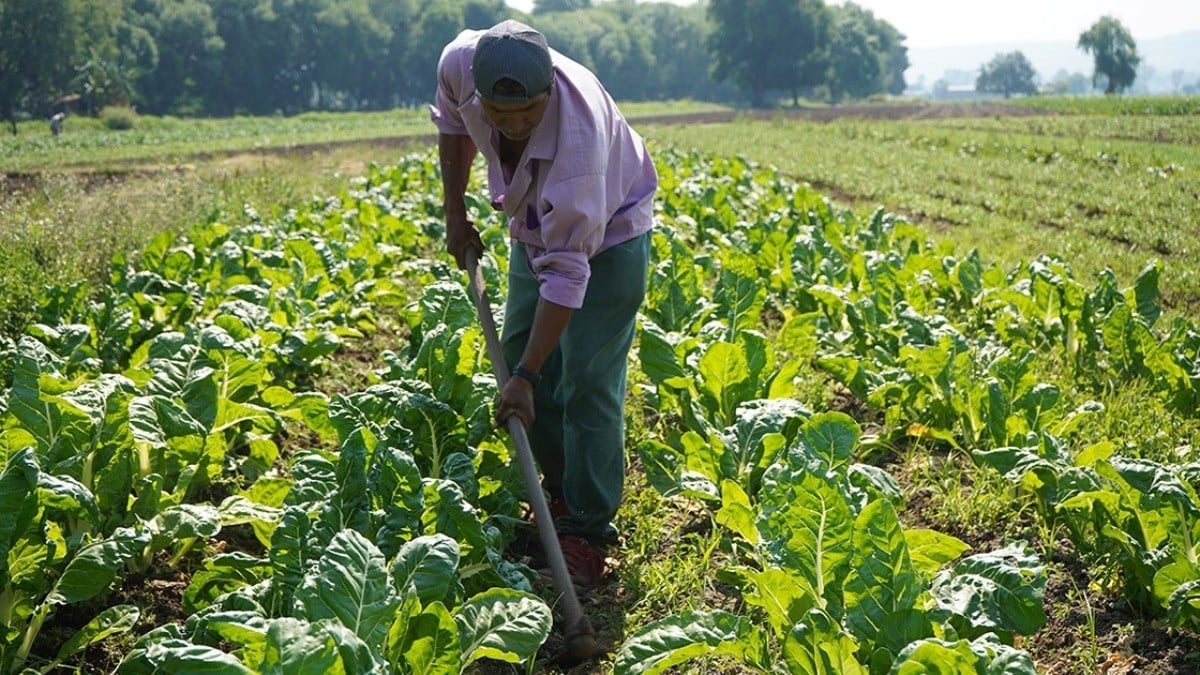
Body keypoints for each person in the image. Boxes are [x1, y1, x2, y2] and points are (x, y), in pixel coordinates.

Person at [431, 19, 657, 587]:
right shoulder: (461, 63)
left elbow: (567, 274)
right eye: (500, 115)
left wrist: (528, 378)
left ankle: (589, 530)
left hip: (608, 240)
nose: (513, 127)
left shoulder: (577, 155)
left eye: (527, 113)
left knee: (583, 379)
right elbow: (455, 123)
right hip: (533, 222)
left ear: (549, 89)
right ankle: (557, 498)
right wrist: (455, 212)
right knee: (516, 353)